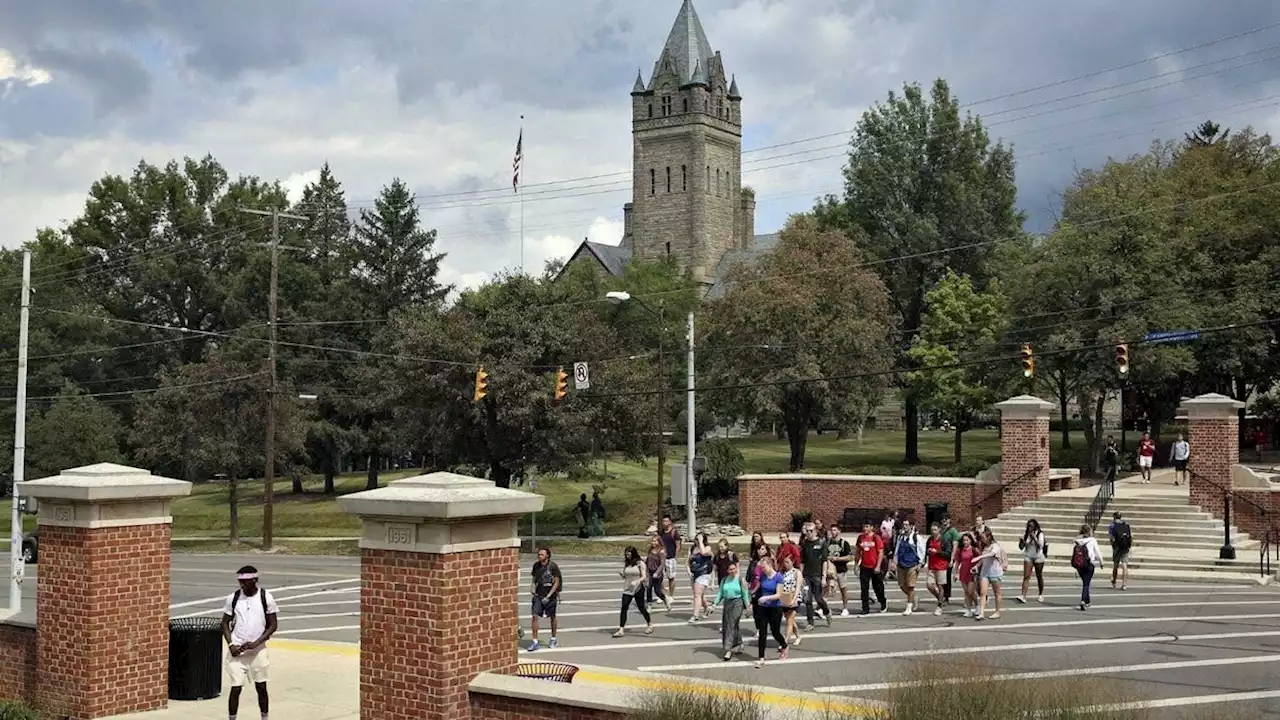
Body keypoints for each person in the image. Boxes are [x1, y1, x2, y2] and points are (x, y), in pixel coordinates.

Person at [221, 566, 278, 720]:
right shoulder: (233, 598)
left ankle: (264, 717)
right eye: (240, 581)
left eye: (245, 582)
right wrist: (231, 645)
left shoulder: (266, 597)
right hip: (238, 651)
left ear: (254, 580)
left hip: (257, 651)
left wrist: (257, 642)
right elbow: (225, 623)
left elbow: (273, 625)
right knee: (236, 687)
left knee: (261, 686)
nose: (242, 585)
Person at [752, 557, 789, 668]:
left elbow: (778, 594)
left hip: (775, 608)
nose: (762, 570)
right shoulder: (763, 577)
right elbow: (759, 588)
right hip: (763, 608)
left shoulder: (778, 577)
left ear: (769, 565)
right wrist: (753, 594)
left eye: (763, 567)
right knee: (762, 633)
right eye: (761, 568)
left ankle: (784, 645)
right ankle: (761, 658)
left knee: (775, 632)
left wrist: (766, 598)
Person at [613, 546, 654, 637]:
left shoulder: (640, 563)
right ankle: (621, 629)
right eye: (626, 553)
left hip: (638, 588)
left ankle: (649, 624)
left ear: (633, 553)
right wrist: (622, 574)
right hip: (628, 588)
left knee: (641, 608)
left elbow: (644, 576)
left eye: (629, 553)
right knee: (624, 607)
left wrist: (637, 581)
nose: (627, 555)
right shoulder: (627, 563)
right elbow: (626, 576)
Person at [527, 547, 561, 651]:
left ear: (547, 556)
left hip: (550, 595)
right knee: (534, 616)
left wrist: (549, 595)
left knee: (552, 616)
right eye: (539, 554)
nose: (539, 556)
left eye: (542, 554)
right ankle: (535, 641)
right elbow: (534, 578)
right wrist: (532, 587)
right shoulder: (536, 566)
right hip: (539, 594)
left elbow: (557, 582)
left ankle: (553, 638)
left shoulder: (553, 566)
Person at [712, 561, 747, 660]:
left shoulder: (740, 579)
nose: (732, 571)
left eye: (734, 569)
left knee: (731, 625)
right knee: (729, 624)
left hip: (738, 603)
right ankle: (738, 643)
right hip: (727, 603)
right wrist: (714, 603)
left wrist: (748, 607)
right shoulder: (724, 580)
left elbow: (745, 594)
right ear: (727, 570)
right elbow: (721, 594)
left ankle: (728, 649)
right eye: (730, 569)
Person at [798, 523, 831, 628]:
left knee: (818, 598)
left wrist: (824, 577)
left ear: (816, 531)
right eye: (807, 531)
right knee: (807, 599)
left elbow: (824, 561)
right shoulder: (804, 543)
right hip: (807, 575)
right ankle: (810, 622)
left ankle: (826, 611)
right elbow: (802, 561)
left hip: (817, 575)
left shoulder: (821, 543)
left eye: (811, 531)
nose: (808, 533)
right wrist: (801, 576)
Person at [890, 518, 925, 616]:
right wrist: (894, 561)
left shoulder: (916, 537)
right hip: (901, 564)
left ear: (911, 526)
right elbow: (897, 550)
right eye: (903, 524)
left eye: (906, 525)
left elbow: (921, 551)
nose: (904, 527)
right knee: (902, 585)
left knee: (910, 586)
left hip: (912, 565)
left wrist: (920, 564)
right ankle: (914, 598)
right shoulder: (900, 537)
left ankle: (909, 607)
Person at [971, 528, 1006, 621]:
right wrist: (976, 566)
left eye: (983, 537)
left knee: (997, 592)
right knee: (982, 592)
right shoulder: (984, 547)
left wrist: (979, 557)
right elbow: (983, 560)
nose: (982, 539)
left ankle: (997, 611)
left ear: (989, 537)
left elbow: (992, 554)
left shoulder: (995, 546)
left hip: (995, 572)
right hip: (985, 572)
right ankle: (982, 613)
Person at [853, 521, 887, 616]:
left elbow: (880, 552)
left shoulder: (876, 537)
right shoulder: (861, 538)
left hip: (875, 566)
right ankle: (865, 608)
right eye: (864, 526)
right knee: (864, 588)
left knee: (878, 587)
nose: (865, 529)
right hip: (864, 567)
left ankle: (883, 602)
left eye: (867, 526)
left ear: (871, 527)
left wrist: (878, 566)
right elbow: (858, 552)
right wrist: (856, 564)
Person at [1071, 525, 1105, 610]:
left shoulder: (1077, 540)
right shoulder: (1092, 540)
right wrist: (1101, 562)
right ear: (1089, 531)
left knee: (1085, 582)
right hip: (1089, 564)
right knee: (1086, 584)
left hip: (1080, 565)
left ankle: (1087, 601)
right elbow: (1097, 552)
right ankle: (1083, 600)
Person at [1016, 519, 1047, 604]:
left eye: (1031, 526)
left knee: (1039, 576)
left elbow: (1040, 546)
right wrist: (1021, 541)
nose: (1030, 527)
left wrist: (1034, 538)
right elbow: (1021, 547)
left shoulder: (1040, 534)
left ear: (1035, 526)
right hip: (1028, 556)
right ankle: (1023, 596)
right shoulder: (1026, 534)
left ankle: (1040, 594)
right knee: (1026, 576)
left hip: (1038, 557)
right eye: (1029, 526)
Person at [827, 525, 854, 616]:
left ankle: (845, 608)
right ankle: (822, 608)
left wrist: (837, 559)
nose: (832, 532)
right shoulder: (828, 542)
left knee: (843, 590)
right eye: (831, 530)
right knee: (827, 590)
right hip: (830, 570)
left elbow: (849, 557)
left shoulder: (844, 543)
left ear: (839, 531)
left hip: (841, 570)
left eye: (834, 530)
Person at [924, 523, 950, 616]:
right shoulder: (930, 539)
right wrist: (928, 552)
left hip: (941, 566)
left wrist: (937, 552)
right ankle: (940, 598)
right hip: (931, 565)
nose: (933, 532)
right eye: (932, 530)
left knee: (940, 585)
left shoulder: (944, 540)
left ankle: (939, 606)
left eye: (935, 530)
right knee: (929, 584)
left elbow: (948, 553)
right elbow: (926, 551)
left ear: (939, 529)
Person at [688, 533, 714, 622]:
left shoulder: (707, 548)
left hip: (704, 573)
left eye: (698, 539)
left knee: (697, 595)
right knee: (700, 595)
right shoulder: (693, 549)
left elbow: (703, 553)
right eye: (696, 539)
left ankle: (695, 615)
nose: (697, 540)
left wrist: (701, 541)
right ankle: (707, 608)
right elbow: (688, 561)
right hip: (694, 573)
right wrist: (689, 571)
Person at [952, 532, 979, 617]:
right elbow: (957, 562)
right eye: (964, 540)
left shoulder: (974, 550)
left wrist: (976, 567)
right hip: (963, 572)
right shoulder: (960, 550)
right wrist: (955, 573)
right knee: (966, 592)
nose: (965, 542)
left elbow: (980, 560)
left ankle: (977, 605)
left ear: (970, 540)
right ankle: (969, 610)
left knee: (971, 591)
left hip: (972, 573)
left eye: (967, 540)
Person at [778, 553, 802, 645]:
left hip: (795, 598)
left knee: (790, 619)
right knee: (789, 619)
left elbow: (798, 587)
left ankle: (785, 642)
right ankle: (798, 636)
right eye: (784, 562)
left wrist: (794, 599)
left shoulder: (797, 572)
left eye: (787, 562)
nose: (785, 564)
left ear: (793, 562)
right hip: (784, 598)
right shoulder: (781, 572)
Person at [658, 514, 682, 601]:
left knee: (671, 577)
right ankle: (663, 595)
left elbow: (678, 545)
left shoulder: (674, 532)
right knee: (659, 577)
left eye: (666, 521)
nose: (665, 523)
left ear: (670, 522)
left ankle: (671, 596)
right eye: (663, 521)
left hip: (670, 558)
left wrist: (675, 556)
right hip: (661, 558)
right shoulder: (660, 533)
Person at [1108, 511, 1133, 591]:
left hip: (1117, 547)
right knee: (1124, 566)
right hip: (1125, 547)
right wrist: (1129, 546)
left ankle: (1114, 581)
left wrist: (1112, 545)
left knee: (1116, 565)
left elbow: (1111, 537)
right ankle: (1124, 584)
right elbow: (1131, 536)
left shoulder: (1112, 525)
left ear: (1114, 517)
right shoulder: (1126, 525)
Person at [940, 516, 962, 604]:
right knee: (941, 577)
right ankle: (942, 594)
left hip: (949, 557)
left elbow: (955, 546)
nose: (944, 521)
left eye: (946, 519)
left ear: (949, 520)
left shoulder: (953, 531)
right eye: (943, 519)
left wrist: (952, 559)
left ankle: (946, 596)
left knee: (947, 578)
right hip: (942, 556)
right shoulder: (941, 531)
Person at [645, 535, 671, 611]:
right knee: (648, 588)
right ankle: (649, 604)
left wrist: (657, 573)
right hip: (649, 572)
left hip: (657, 573)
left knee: (657, 591)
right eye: (652, 541)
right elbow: (648, 560)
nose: (653, 542)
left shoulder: (662, 551)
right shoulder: (651, 549)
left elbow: (662, 564)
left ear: (659, 542)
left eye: (655, 541)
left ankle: (665, 599)